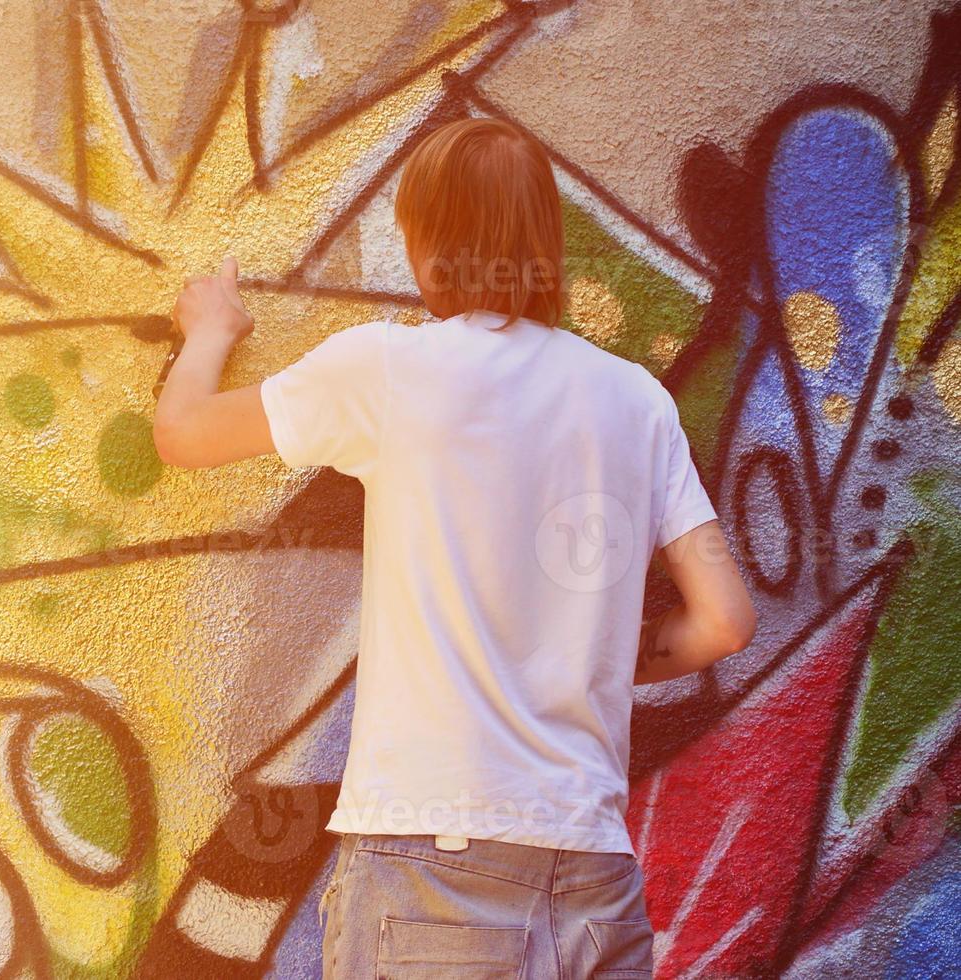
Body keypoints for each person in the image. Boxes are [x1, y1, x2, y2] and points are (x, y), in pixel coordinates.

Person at [152, 117, 756, 979]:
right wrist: (601, 660)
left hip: (432, 859)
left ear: (427, 241)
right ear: (542, 242)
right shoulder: (636, 402)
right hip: (592, 869)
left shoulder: (389, 370)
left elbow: (182, 433)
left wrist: (210, 325)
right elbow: (725, 621)